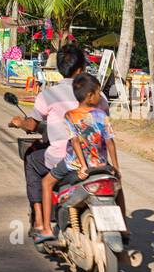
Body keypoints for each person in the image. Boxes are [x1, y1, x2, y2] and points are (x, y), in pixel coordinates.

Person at [7, 45, 94, 237]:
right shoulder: (96, 93)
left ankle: (40, 222)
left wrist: (19, 122)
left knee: (31, 158)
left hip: (67, 159)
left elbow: (32, 125)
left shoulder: (49, 95)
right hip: (97, 158)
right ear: (81, 68)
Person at [36, 73, 125, 242]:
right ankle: (124, 227)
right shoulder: (102, 115)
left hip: (74, 164)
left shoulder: (70, 115)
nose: (100, 96)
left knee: (46, 182)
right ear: (90, 95)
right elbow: (110, 142)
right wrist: (116, 167)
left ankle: (47, 228)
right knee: (117, 186)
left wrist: (83, 166)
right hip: (101, 164)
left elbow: (74, 142)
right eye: (99, 92)